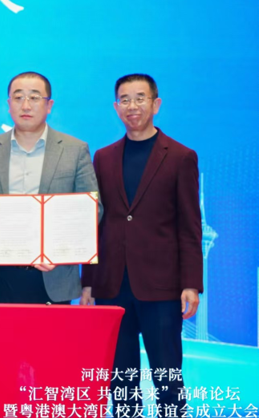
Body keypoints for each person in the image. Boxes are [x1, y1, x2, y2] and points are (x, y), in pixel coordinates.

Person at [81, 74, 202, 416]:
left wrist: (191, 283)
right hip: (111, 284)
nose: (132, 106)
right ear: (115, 107)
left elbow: (189, 226)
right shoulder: (103, 157)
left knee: (167, 376)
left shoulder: (180, 156)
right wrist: (88, 282)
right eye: (125, 99)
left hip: (161, 286)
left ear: (156, 104)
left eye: (140, 98)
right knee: (120, 378)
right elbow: (94, 224)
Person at [0, 71, 101, 304]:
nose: (26, 105)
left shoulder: (75, 150)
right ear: (9, 105)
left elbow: (92, 209)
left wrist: (60, 248)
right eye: (18, 97)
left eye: (34, 97)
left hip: (53, 275)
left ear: (49, 105)